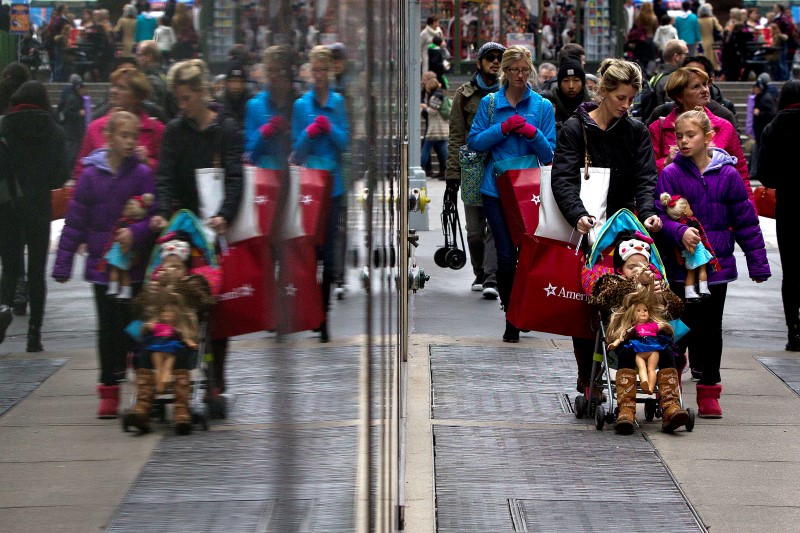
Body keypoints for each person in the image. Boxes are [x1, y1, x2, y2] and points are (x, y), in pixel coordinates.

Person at [551, 58, 663, 400]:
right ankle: (589, 377)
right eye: (621, 99)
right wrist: (578, 215)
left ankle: (628, 373)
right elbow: (563, 179)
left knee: (630, 298)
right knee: (588, 304)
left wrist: (647, 214)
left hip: (623, 226)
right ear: (603, 91)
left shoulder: (635, 131)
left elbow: (646, 178)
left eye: (631, 100)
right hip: (588, 226)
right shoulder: (574, 129)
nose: (626, 106)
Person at [655, 107, 771, 418]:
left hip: (716, 268)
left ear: (708, 137)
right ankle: (671, 379)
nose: (683, 141)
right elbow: (659, 218)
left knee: (710, 329)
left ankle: (709, 389)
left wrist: (758, 263)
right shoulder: (670, 174)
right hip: (681, 267)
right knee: (680, 327)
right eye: (679, 136)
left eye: (690, 135)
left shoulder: (728, 175)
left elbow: (746, 222)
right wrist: (679, 232)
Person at [52, 110, 157, 418]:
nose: (129, 142)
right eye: (123, 135)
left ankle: (141, 377)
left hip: (133, 266)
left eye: (133, 136)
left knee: (134, 325)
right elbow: (74, 223)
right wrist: (62, 264)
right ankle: (108, 389)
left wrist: (135, 233)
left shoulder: (141, 173)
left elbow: (154, 215)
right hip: (102, 268)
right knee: (107, 328)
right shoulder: (90, 176)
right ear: (109, 138)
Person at [151, 59, 243, 398]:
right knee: (176, 293)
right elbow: (164, 177)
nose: (182, 105)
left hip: (215, 228)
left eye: (187, 98)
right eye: (179, 99)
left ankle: (216, 377)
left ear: (203, 93)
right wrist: (163, 212)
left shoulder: (226, 130)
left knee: (217, 305)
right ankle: (178, 369)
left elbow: (235, 176)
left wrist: (225, 214)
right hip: (185, 226)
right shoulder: (175, 131)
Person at [467, 45, 556, 342]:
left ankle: (520, 308)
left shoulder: (542, 106)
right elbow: (475, 142)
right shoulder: (491, 103)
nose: (520, 76)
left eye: (524, 70)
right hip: (497, 189)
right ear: (504, 71)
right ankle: (511, 316)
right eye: (514, 70)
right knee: (506, 254)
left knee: (527, 254)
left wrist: (532, 132)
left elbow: (549, 154)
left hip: (530, 190)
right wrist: (503, 128)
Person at [583, 232, 688, 432]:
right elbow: (602, 299)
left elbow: (678, 309)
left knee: (668, 353)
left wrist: (662, 297)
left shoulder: (656, 284)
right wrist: (635, 283)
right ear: (621, 268)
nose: (639, 271)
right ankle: (626, 410)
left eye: (643, 267)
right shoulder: (612, 281)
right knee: (626, 354)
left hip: (654, 342)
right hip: (625, 342)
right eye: (632, 267)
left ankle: (670, 406)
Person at [0, 81, 69, 351]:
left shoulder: (4, 126)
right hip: (39, 205)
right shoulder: (55, 131)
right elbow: (59, 176)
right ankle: (34, 336)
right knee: (36, 272)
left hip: (7, 207)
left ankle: (2, 318)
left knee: (10, 269)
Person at [291, 45, 349, 342]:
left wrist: (330, 130)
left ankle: (324, 315)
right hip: (309, 186)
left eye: (323, 70)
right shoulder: (302, 106)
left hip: (333, 186)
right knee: (311, 253)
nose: (319, 75)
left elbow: (345, 142)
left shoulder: (338, 102)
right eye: (314, 70)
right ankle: (313, 311)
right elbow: (296, 151)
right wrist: (309, 132)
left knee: (327, 251)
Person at [445, 42, 505, 299]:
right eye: (489, 58)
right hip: (471, 168)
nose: (495, 62)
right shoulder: (464, 94)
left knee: (496, 226)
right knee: (474, 231)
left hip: (500, 167)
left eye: (499, 58)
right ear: (479, 62)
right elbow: (456, 136)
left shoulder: (509, 92)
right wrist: (451, 178)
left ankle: (491, 277)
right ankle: (480, 272)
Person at [648, 67, 754, 205]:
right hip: (676, 215)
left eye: (705, 84)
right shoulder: (658, 128)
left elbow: (741, 173)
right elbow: (646, 173)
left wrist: (751, 211)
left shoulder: (724, 127)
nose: (705, 90)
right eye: (696, 87)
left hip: (718, 211)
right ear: (680, 95)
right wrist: (666, 162)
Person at [755, 80, 800, 351]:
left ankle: (793, 331)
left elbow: (765, 174)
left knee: (792, 271)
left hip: (790, 204)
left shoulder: (773, 128)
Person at [74, 67, 165, 182]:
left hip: (140, 197)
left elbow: (166, 173)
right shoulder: (95, 127)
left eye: (121, 87)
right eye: (113, 86)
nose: (113, 91)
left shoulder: (156, 129)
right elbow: (80, 170)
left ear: (138, 96)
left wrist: (147, 162)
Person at [607, 284, 674, 395]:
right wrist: (615, 343)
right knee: (633, 358)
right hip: (636, 347)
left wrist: (665, 326)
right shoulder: (632, 328)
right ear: (631, 314)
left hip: (653, 347)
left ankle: (667, 397)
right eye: (638, 311)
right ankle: (627, 400)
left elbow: (664, 326)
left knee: (663, 356)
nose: (643, 313)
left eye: (645, 310)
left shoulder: (652, 325)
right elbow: (623, 336)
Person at [660, 193, 720, 301]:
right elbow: (701, 237)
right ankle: (704, 290)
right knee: (702, 270)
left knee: (690, 272)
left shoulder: (676, 226)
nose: (691, 209)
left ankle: (689, 293)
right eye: (689, 207)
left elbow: (675, 246)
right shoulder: (693, 222)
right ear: (684, 211)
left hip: (686, 252)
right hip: (697, 249)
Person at [245, 45, 296, 167]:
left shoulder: (297, 104)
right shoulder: (255, 105)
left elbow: (302, 152)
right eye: (269, 70)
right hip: (264, 180)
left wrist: (289, 133)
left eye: (278, 70)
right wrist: (263, 133)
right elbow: (248, 154)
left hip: (290, 177)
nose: (273, 75)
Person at [543, 57, 592, 131]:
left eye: (576, 80)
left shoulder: (593, 104)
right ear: (559, 84)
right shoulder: (549, 104)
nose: (571, 86)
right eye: (566, 81)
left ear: (582, 83)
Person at [136, 40, 177, 120]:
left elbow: (149, 111)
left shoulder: (150, 81)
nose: (136, 58)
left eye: (139, 55)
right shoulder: (164, 76)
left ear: (148, 57)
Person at [421, 72, 448, 181]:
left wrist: (424, 107)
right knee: (443, 151)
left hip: (434, 129)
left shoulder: (435, 96)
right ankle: (447, 171)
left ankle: (418, 168)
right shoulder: (441, 93)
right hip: (442, 129)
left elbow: (433, 111)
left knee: (425, 150)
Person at [749, 73, 778, 177]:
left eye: (755, 87)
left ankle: (755, 172)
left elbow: (772, 114)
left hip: (762, 131)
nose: (754, 89)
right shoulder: (760, 97)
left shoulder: (765, 98)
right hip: (759, 131)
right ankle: (754, 172)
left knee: (759, 152)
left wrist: (760, 113)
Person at [58, 74, 88, 170]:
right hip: (72, 131)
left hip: (76, 131)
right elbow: (67, 113)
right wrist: (79, 114)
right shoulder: (73, 98)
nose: (84, 91)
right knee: (72, 152)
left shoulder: (78, 98)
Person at [650, 39, 689, 109]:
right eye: (686, 54)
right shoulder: (673, 79)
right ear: (676, 56)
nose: (688, 57)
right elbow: (675, 109)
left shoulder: (658, 75)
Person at [218, 65, 251, 132]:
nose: (237, 86)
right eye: (233, 81)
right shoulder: (218, 101)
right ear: (226, 83)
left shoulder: (251, 101)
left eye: (241, 82)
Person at [697, 3, 723, 74]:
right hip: (710, 41)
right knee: (711, 60)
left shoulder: (697, 21)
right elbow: (720, 29)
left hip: (701, 42)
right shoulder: (713, 19)